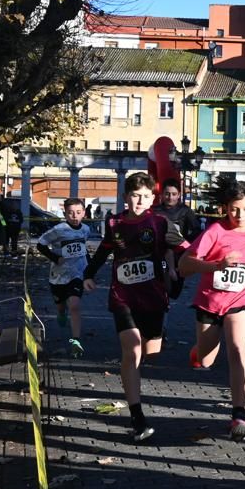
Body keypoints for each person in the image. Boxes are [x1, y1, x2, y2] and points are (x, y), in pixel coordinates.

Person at [83, 172, 192, 443]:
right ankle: (137, 417)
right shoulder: (115, 222)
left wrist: (193, 265)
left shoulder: (160, 223)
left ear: (152, 198)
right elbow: (104, 251)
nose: (139, 201)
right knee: (131, 352)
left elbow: (188, 250)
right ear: (125, 197)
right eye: (135, 196)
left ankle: (157, 338)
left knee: (149, 352)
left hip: (153, 297)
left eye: (145, 196)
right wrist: (87, 275)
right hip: (123, 295)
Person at [179, 181, 245, 442]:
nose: (239, 215)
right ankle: (198, 350)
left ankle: (239, 414)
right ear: (225, 208)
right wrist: (217, 266)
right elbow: (184, 265)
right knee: (205, 361)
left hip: (240, 300)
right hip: (209, 303)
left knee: (238, 351)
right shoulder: (215, 231)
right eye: (234, 210)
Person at [36, 198, 91, 358]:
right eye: (71, 213)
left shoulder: (86, 230)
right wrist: (55, 258)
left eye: (78, 212)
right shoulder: (59, 230)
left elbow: (82, 249)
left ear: (84, 213)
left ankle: (75, 340)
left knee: (74, 304)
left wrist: (91, 269)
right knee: (61, 305)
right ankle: (61, 313)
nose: (75, 216)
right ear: (64, 213)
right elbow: (40, 244)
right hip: (58, 276)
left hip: (78, 273)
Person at [154, 180, 202, 302]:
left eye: (174, 194)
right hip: (158, 253)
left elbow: (197, 231)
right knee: (159, 286)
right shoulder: (154, 211)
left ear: (179, 195)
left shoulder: (185, 211)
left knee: (175, 289)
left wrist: (186, 243)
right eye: (167, 194)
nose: (170, 197)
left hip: (179, 254)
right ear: (161, 194)